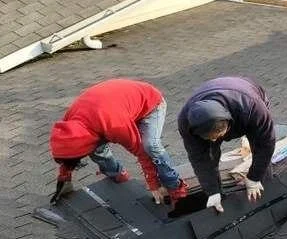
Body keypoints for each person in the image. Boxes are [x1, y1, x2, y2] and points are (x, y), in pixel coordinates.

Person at [49, 79, 188, 205]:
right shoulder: (70, 122)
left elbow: (141, 153)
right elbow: (68, 150)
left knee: (150, 146)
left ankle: (175, 187)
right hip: (115, 109)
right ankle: (118, 175)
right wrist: (64, 177)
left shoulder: (113, 125)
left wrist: (153, 184)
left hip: (150, 104)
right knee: (95, 149)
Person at [177, 77, 275, 213]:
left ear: (228, 125)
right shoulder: (186, 122)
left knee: (259, 149)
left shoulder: (254, 108)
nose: (213, 140)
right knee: (210, 154)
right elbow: (200, 159)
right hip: (214, 105)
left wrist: (254, 177)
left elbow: (266, 144)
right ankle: (220, 198)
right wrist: (212, 192)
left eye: (216, 136)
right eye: (208, 137)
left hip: (248, 95)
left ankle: (265, 190)